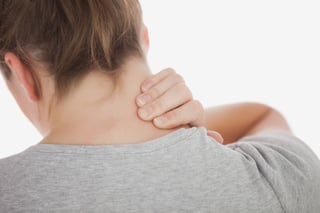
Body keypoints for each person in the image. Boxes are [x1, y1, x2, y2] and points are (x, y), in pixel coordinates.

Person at [0, 0, 319, 212]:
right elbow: (262, 116)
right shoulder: (282, 176)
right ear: (143, 39)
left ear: (21, 72)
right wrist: (186, 123)